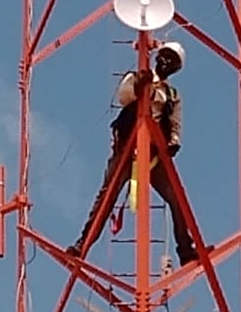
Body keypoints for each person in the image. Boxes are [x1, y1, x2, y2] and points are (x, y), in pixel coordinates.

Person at [69, 41, 197, 265]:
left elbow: (175, 122)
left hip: (153, 155)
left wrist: (174, 141)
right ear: (157, 57)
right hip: (128, 149)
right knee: (106, 198)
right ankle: (83, 245)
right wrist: (140, 84)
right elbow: (125, 96)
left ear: (176, 69)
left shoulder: (172, 94)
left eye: (172, 61)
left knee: (177, 200)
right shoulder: (136, 77)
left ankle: (185, 252)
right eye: (165, 56)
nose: (166, 62)